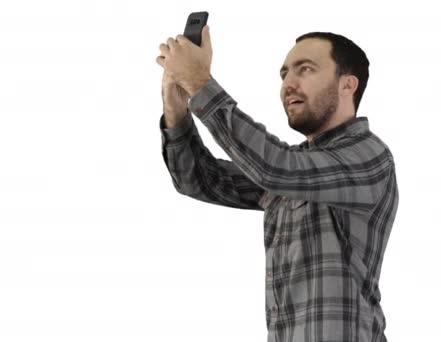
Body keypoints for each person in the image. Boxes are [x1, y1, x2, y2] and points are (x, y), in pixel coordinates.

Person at [156, 25, 399, 342]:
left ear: (347, 85)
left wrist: (200, 83)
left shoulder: (368, 156)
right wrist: (176, 107)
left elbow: (277, 168)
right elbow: (198, 180)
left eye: (305, 69)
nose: (288, 84)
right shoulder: (297, 166)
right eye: (284, 74)